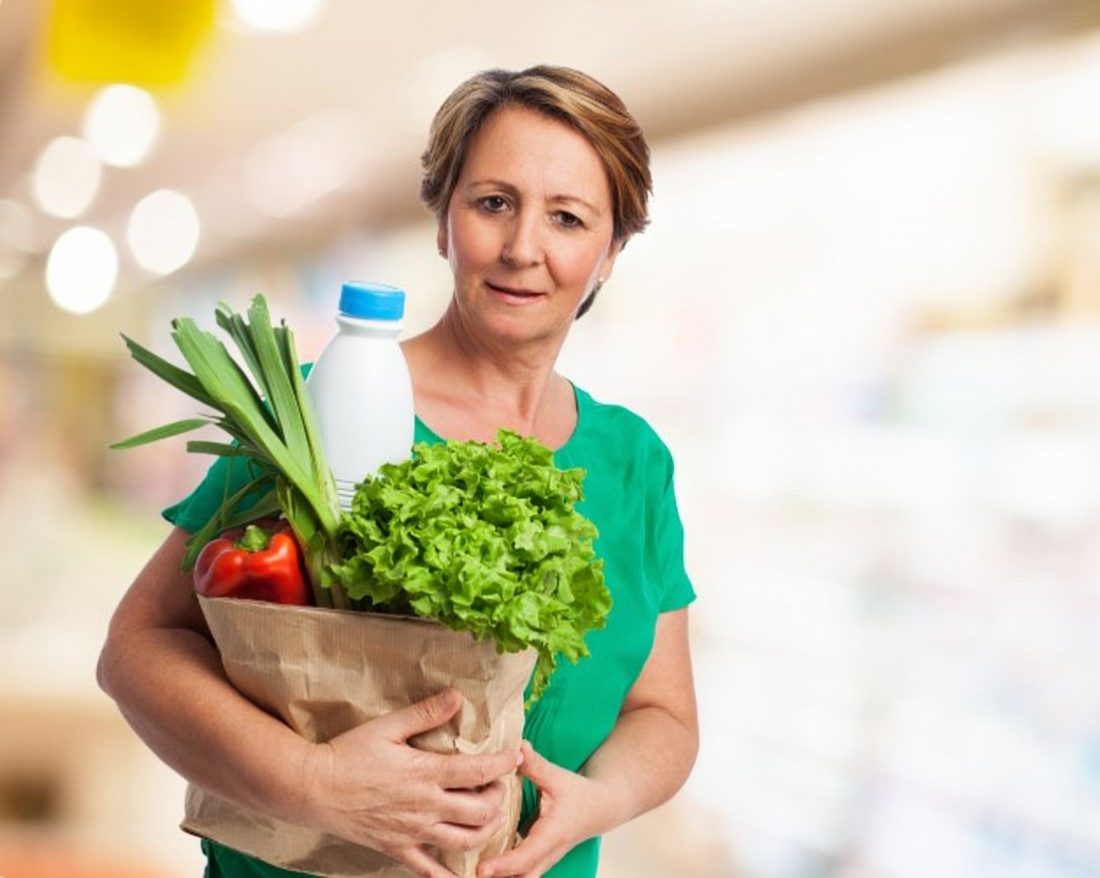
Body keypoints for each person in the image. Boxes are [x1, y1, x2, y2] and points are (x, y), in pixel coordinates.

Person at [98, 65, 698, 878]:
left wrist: (597, 800)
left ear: (611, 251)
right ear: (444, 221)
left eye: (567, 218)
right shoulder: (323, 411)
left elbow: (664, 714)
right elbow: (138, 647)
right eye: (493, 203)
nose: (524, 248)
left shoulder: (632, 460)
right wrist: (313, 782)